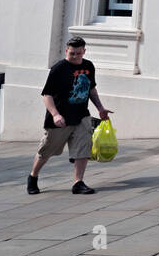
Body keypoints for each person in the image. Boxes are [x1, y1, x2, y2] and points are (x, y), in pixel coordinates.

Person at [27, 36, 111, 195]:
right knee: (46, 150)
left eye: (78, 53)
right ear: (66, 51)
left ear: (84, 51)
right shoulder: (59, 68)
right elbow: (47, 95)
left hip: (81, 115)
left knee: (83, 149)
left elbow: (91, 89)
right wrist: (55, 114)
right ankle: (33, 176)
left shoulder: (88, 66)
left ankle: (78, 182)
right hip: (60, 119)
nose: (75, 56)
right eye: (72, 53)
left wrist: (100, 107)